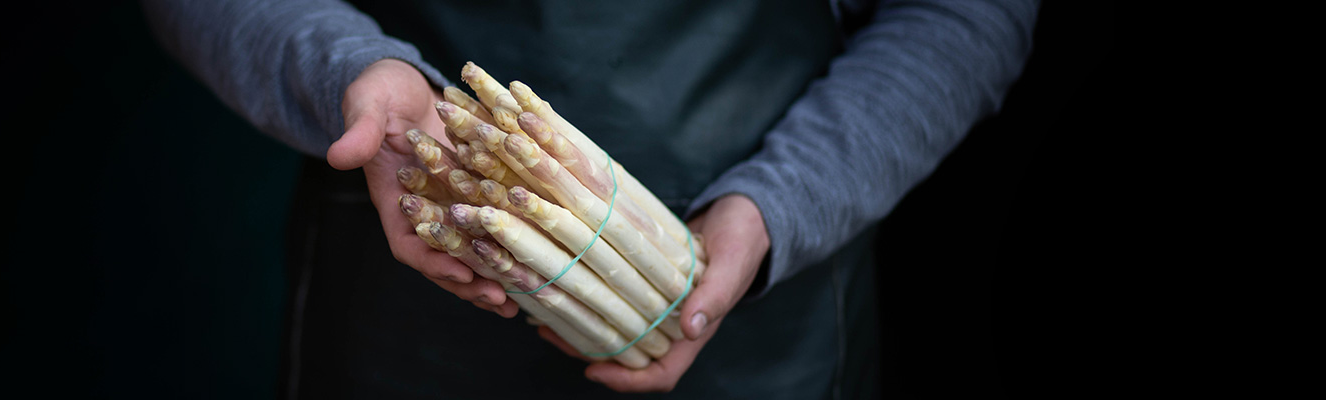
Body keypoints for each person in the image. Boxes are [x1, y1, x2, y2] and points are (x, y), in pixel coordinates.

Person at [145, 0, 1035, 397]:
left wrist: (783, 202)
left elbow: (967, 10)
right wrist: (349, 68)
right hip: (407, 305)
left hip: (771, 331)